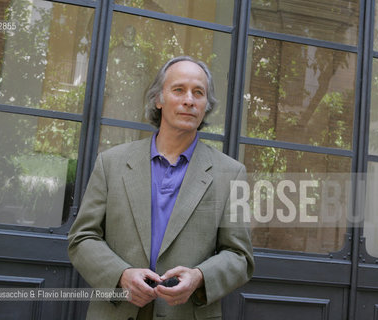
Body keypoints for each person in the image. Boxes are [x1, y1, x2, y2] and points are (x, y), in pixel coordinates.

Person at [68, 56, 254, 320]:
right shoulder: (111, 163)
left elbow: (239, 256)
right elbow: (82, 238)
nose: (189, 99)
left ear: (205, 106)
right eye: (178, 90)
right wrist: (120, 275)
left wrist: (199, 277)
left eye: (198, 93)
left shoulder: (232, 173)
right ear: (159, 99)